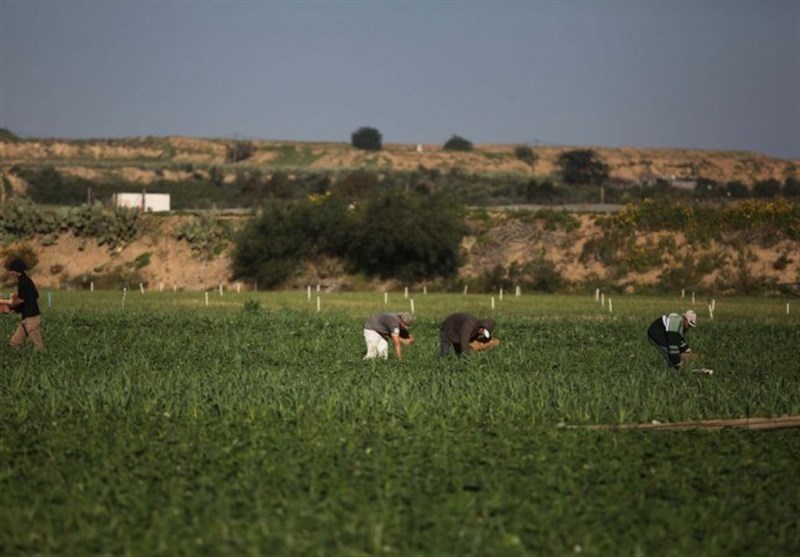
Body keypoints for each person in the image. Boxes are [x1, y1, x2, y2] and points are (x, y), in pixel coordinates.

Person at [2, 259, 44, 351]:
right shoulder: (27, 281)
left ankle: (43, 358)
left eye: (12, 270)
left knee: (38, 346)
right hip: (27, 318)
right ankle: (11, 352)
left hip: (31, 318)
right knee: (13, 343)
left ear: (17, 270)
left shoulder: (23, 282)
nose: (11, 273)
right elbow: (35, 295)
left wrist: (9, 306)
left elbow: (21, 300)